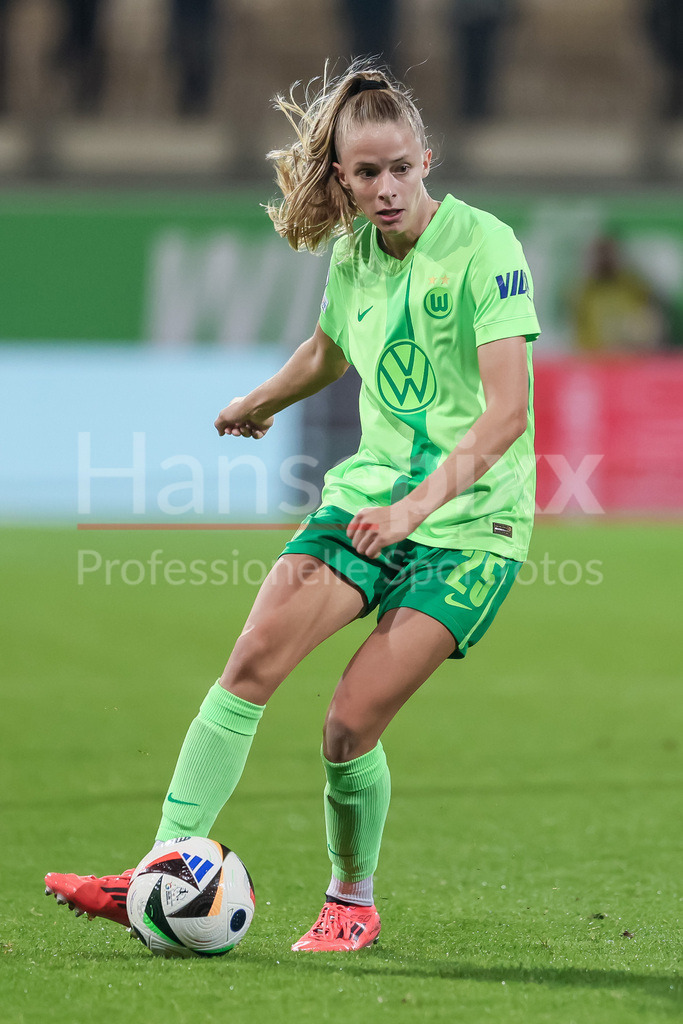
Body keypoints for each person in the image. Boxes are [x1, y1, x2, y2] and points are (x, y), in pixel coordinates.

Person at [45, 60, 540, 953]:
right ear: (340, 179)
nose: (385, 189)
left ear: (427, 158)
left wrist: (412, 512)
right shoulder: (352, 252)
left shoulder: (486, 248)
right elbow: (326, 348)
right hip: (367, 502)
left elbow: (506, 413)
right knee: (249, 664)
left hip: (469, 527)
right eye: (365, 173)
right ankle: (158, 867)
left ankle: (352, 897)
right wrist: (261, 401)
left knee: (348, 725)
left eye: (399, 168)